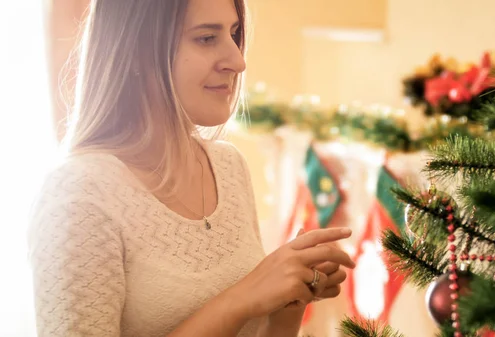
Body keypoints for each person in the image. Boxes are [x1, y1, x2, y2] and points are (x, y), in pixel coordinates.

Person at [27, 0, 356, 336]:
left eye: (234, 33)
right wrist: (241, 298)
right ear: (138, 51)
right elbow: (241, 301)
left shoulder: (228, 166)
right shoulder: (78, 197)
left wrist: (288, 302)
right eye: (206, 38)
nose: (238, 61)